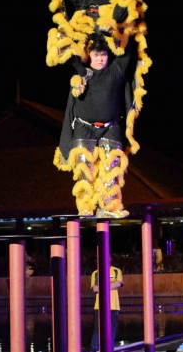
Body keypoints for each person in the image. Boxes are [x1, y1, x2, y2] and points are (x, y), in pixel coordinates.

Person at [57, 36, 137, 218]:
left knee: (112, 167)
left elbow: (128, 51)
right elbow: (70, 55)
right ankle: (85, 207)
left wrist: (125, 29)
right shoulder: (83, 75)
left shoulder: (115, 71)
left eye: (103, 55)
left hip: (111, 126)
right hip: (84, 127)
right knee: (84, 168)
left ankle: (108, 207)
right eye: (96, 54)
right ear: (89, 55)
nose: (100, 58)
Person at [89, 264, 123, 352]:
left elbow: (119, 284)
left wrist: (102, 285)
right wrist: (111, 285)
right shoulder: (95, 273)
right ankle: (94, 350)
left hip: (113, 305)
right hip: (99, 305)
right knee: (97, 329)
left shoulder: (116, 270)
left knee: (112, 329)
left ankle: (110, 350)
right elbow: (95, 288)